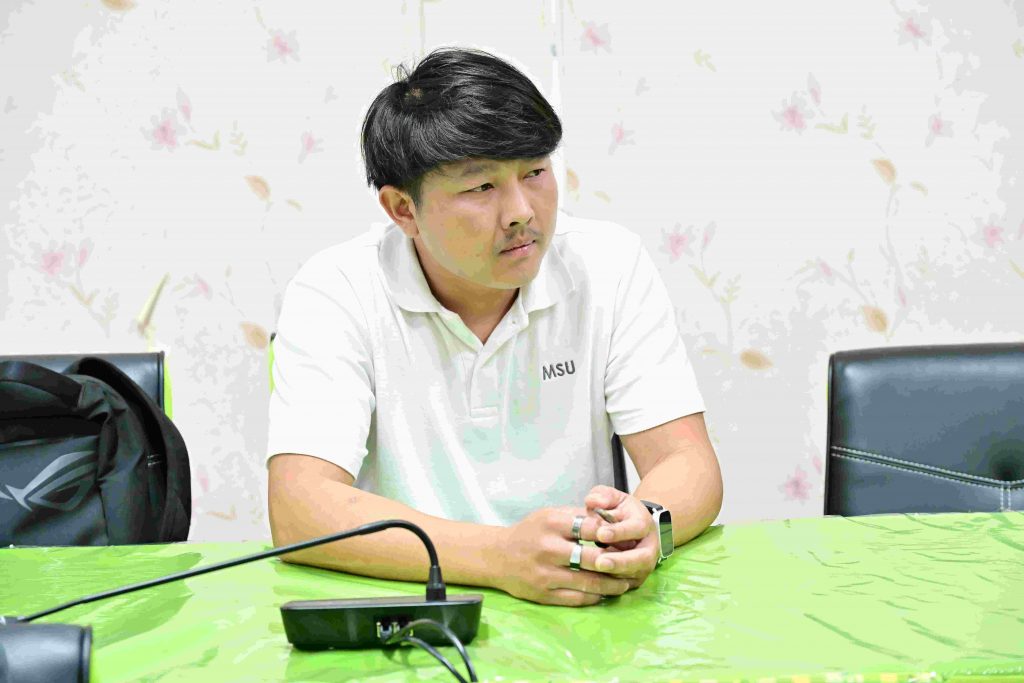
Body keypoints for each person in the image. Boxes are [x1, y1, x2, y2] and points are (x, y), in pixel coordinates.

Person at [266, 46, 723, 607]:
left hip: (578, 605)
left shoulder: (609, 265)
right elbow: (299, 509)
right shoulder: (337, 289)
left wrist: (648, 524)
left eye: (535, 173)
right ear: (403, 209)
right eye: (481, 187)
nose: (521, 212)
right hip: (413, 609)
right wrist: (498, 557)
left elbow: (687, 461)